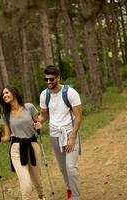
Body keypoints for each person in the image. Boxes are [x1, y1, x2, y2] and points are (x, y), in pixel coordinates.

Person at [35, 65, 83, 200]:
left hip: (69, 133)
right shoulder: (44, 95)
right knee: (63, 168)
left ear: (58, 78)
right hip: (55, 134)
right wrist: (39, 122)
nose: (48, 82)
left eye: (51, 79)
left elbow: (78, 115)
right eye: (46, 79)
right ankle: (69, 189)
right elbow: (43, 115)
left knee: (71, 167)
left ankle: (76, 197)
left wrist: (73, 137)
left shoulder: (70, 93)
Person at [0, 85, 46, 200]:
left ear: (14, 93)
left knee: (37, 179)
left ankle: (42, 196)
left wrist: (39, 126)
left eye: (6, 93)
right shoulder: (5, 115)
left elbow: (38, 124)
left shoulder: (29, 107)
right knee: (26, 183)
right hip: (16, 149)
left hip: (32, 145)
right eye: (3, 95)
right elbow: (7, 137)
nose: (4, 95)